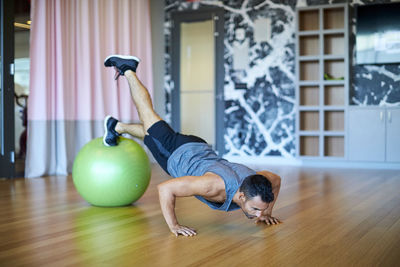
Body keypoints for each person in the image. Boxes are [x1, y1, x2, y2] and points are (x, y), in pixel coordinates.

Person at [103, 55, 282, 237]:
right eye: (255, 209)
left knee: (151, 135)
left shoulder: (259, 181)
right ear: (242, 197)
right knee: (146, 112)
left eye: (261, 209)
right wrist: (174, 226)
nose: (258, 213)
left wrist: (266, 213)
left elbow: (276, 180)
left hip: (199, 147)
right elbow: (165, 189)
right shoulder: (212, 186)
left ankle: (116, 126)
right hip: (174, 152)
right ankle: (128, 69)